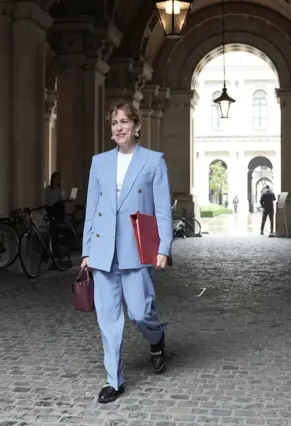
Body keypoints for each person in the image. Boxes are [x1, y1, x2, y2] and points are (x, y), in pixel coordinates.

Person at [80, 100, 173, 404]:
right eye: (114, 124)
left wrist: (163, 247)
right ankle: (113, 380)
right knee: (108, 318)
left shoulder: (154, 161)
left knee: (140, 312)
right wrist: (87, 250)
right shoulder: (99, 162)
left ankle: (156, 338)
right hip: (104, 248)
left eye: (124, 122)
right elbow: (92, 209)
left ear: (136, 126)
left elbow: (162, 209)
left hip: (137, 246)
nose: (118, 128)